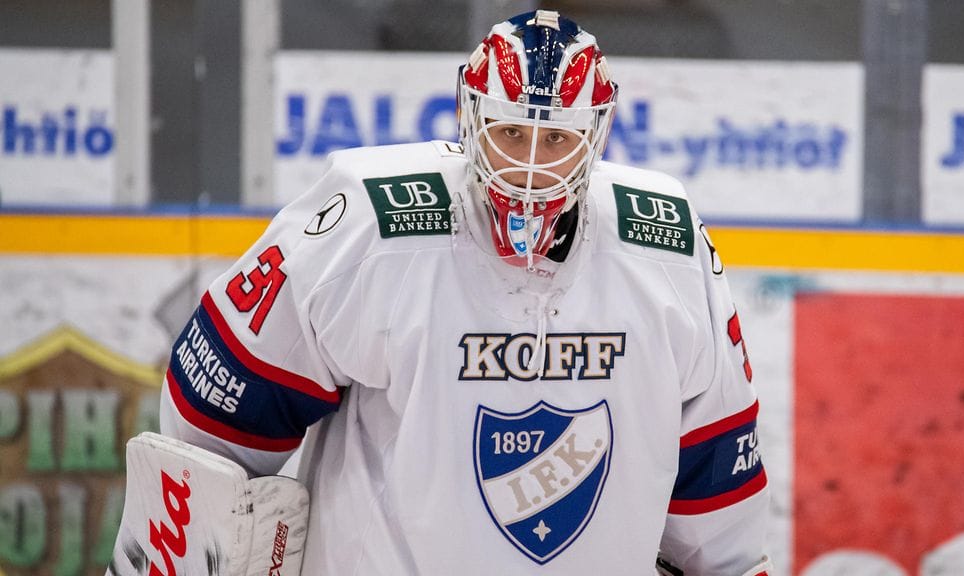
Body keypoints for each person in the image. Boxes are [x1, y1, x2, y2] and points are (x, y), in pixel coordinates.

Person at [158, 9, 772, 575]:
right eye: (511, 133)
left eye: (556, 140)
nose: (530, 167)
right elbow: (213, 420)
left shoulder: (666, 249)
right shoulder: (373, 225)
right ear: (472, 119)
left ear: (596, 135)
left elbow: (718, 482)